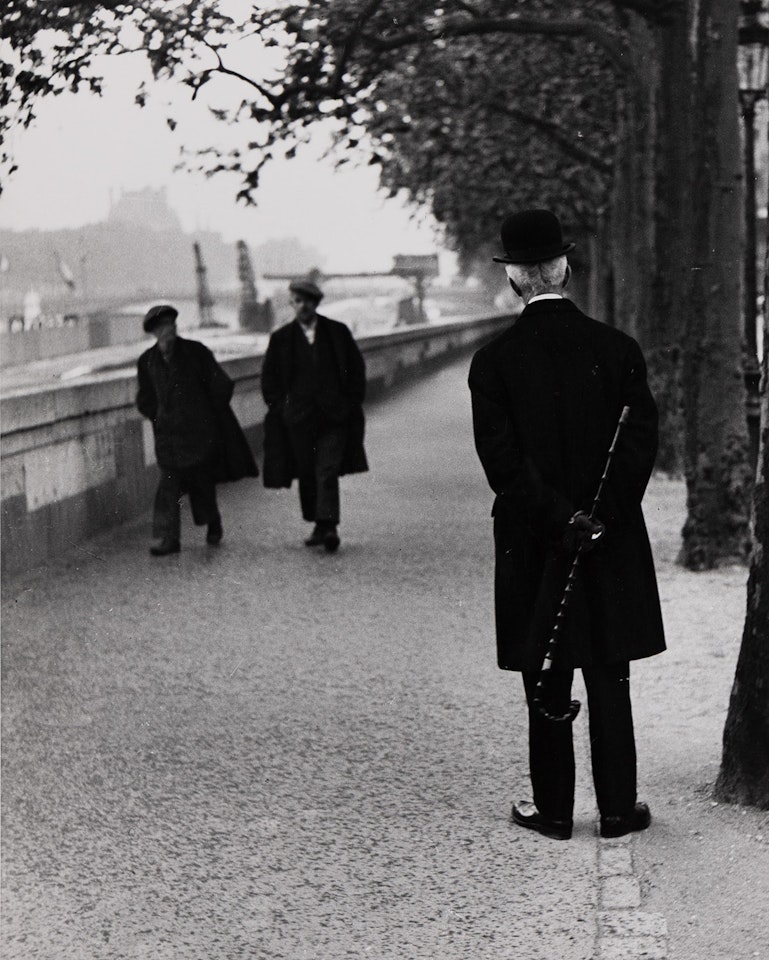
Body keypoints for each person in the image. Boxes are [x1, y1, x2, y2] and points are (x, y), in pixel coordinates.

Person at [468, 209, 666, 840]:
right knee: (610, 672)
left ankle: (553, 811)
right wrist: (597, 521)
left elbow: (503, 466)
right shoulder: (619, 350)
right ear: (566, 268)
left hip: (534, 538)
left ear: (516, 280)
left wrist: (561, 520)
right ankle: (616, 810)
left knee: (546, 676)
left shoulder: (493, 362)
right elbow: (638, 448)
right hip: (609, 541)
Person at [136, 304, 258, 556]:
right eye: (161, 328)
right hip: (168, 437)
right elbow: (144, 398)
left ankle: (212, 521)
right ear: (154, 332)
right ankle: (167, 539)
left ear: (175, 326)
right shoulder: (147, 362)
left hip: (198, 435)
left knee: (201, 483)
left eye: (170, 325)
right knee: (168, 486)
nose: (167, 331)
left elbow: (222, 385)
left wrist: (207, 416)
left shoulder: (196, 353)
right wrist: (157, 415)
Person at [261, 278, 367, 552]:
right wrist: (282, 409)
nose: (302, 306)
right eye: (297, 301)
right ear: (292, 304)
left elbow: (356, 370)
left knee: (327, 470)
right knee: (307, 472)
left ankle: (329, 526)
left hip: (334, 417)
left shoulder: (338, 333)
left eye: (306, 301)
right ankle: (319, 524)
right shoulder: (281, 339)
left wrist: (348, 405)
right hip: (298, 419)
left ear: (315, 303)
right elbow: (269, 380)